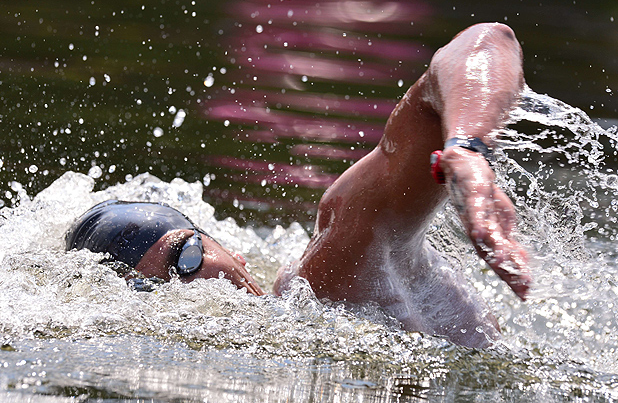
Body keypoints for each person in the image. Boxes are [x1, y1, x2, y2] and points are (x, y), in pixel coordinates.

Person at [67, 23, 531, 348]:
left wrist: (467, 148)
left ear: (231, 250)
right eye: (151, 291)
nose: (186, 290)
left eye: (185, 256)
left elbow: (486, 42)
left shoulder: (328, 275)